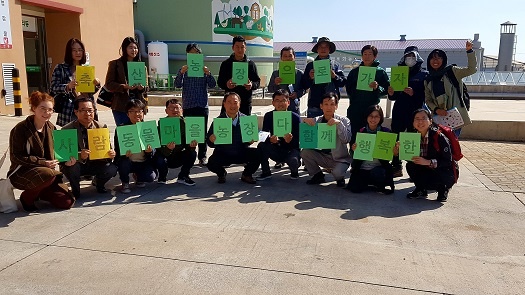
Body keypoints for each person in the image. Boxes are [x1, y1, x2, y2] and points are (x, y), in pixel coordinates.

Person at [8, 91, 75, 211]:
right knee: (47, 174)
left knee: (66, 202)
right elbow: (15, 156)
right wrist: (42, 163)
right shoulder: (20, 129)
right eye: (42, 108)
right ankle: (27, 198)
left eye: (50, 109)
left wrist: (66, 161)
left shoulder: (51, 127)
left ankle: (40, 192)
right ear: (34, 108)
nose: (47, 112)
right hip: (23, 172)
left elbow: (58, 153)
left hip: (48, 175)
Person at [60, 97, 118, 198]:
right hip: (77, 165)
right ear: (76, 112)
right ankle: (75, 190)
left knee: (112, 168)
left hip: (96, 163)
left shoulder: (101, 127)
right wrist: (79, 155)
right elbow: (62, 156)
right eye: (83, 110)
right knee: (72, 167)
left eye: (90, 110)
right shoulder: (66, 130)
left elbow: (107, 148)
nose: (87, 114)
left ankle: (99, 184)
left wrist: (111, 154)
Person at [387, 46, 429, 177]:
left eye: (412, 56)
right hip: (399, 110)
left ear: (417, 58)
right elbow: (393, 97)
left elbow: (426, 96)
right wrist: (391, 93)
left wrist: (414, 93)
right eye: (407, 56)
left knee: (414, 140)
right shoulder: (398, 73)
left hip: (415, 112)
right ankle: (396, 166)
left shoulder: (424, 74)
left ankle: (414, 168)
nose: (410, 59)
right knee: (396, 137)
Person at [174, 43, 216, 166]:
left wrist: (208, 73)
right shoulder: (184, 70)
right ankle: (189, 155)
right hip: (188, 105)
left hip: (202, 105)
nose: (194, 55)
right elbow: (177, 85)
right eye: (191, 53)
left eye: (196, 53)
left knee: (202, 133)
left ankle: (202, 156)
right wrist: (181, 73)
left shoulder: (204, 69)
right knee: (190, 133)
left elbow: (213, 84)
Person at [425, 40, 477, 138]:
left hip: (454, 116)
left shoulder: (452, 71)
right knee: (439, 143)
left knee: (451, 143)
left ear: (443, 59)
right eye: (432, 58)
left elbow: (472, 69)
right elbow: (428, 99)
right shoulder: (428, 79)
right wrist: (436, 110)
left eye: (438, 58)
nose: (435, 61)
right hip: (439, 117)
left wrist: (469, 51)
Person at [206, 92, 260, 184]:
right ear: (224, 104)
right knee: (211, 163)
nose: (232, 105)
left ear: (239, 103)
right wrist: (211, 139)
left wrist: (250, 141)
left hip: (241, 152)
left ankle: (247, 174)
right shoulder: (218, 121)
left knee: (258, 153)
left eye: (235, 102)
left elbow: (248, 141)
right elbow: (209, 143)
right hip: (224, 153)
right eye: (229, 102)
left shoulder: (246, 120)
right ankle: (222, 173)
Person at [301, 92, 352, 187]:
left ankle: (340, 178)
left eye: (332, 104)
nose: (329, 107)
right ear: (321, 106)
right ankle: (317, 175)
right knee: (305, 152)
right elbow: (304, 130)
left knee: (337, 173)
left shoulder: (344, 121)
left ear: (336, 106)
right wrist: (305, 121)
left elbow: (346, 140)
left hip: (340, 159)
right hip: (323, 156)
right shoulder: (317, 120)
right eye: (326, 104)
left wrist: (339, 124)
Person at [406, 109, 456, 202]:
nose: (420, 122)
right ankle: (421, 189)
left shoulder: (439, 137)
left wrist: (428, 162)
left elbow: (448, 161)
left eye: (424, 118)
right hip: (427, 168)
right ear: (413, 122)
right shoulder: (412, 137)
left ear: (430, 121)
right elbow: (410, 158)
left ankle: (443, 189)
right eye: (417, 119)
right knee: (410, 165)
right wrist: (399, 151)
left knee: (440, 178)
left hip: (443, 171)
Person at [50, 38, 101, 126]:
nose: (78, 53)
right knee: (71, 136)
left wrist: (97, 84)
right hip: (69, 109)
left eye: (80, 50)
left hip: (86, 107)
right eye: (74, 50)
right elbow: (53, 87)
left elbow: (90, 92)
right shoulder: (60, 68)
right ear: (69, 52)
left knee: (88, 134)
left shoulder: (86, 69)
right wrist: (67, 86)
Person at [347, 105, 396, 194]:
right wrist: (353, 149)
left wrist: (394, 151)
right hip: (363, 167)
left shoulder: (386, 132)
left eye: (376, 116)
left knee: (378, 174)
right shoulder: (361, 131)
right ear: (366, 117)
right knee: (355, 189)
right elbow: (353, 154)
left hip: (378, 167)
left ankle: (375, 183)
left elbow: (391, 156)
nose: (373, 119)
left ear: (380, 118)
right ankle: (368, 183)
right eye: (371, 116)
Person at [256, 89, 301, 180]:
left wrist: (290, 140)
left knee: (294, 161)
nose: (280, 104)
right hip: (275, 148)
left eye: (283, 101)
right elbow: (263, 135)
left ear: (288, 102)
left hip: (290, 150)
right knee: (261, 146)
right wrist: (270, 140)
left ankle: (294, 172)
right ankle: (266, 172)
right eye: (277, 101)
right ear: (273, 103)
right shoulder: (268, 116)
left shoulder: (295, 117)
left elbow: (299, 140)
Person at [345, 45, 390, 135]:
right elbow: (348, 89)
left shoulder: (380, 72)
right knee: (354, 135)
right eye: (365, 54)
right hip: (355, 109)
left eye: (370, 54)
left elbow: (386, 89)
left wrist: (377, 88)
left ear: (375, 56)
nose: (367, 56)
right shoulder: (354, 72)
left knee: (370, 135)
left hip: (371, 110)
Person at [114, 99, 156, 193]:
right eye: (132, 111)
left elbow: (155, 149)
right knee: (124, 162)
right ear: (127, 114)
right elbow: (117, 150)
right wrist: (124, 154)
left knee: (150, 178)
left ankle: (139, 177)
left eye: (139, 111)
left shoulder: (148, 128)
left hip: (143, 161)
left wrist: (150, 152)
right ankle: (125, 182)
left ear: (143, 113)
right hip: (129, 161)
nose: (137, 114)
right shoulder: (121, 129)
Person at [105, 36, 148, 126]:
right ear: (125, 49)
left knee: (138, 131)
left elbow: (146, 87)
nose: (134, 50)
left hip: (138, 105)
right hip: (121, 105)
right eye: (130, 47)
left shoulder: (142, 67)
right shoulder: (115, 64)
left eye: (135, 48)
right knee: (124, 132)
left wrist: (142, 88)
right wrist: (125, 86)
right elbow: (109, 84)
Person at [153, 99, 197, 186]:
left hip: (178, 156)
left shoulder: (187, 125)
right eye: (171, 108)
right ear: (166, 111)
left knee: (192, 153)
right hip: (164, 156)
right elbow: (157, 147)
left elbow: (188, 147)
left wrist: (192, 146)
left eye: (177, 108)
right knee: (158, 157)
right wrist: (168, 149)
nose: (175, 110)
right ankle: (162, 176)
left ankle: (183, 176)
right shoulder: (161, 125)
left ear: (182, 110)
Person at [302, 37, 346, 118]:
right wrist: (310, 78)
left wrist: (334, 76)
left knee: (329, 130)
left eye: (326, 47)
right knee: (313, 129)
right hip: (314, 104)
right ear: (317, 49)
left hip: (330, 105)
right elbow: (304, 85)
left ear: (329, 49)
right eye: (321, 47)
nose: (323, 49)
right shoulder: (311, 65)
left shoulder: (335, 65)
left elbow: (343, 83)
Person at [217, 35, 261, 115]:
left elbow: (257, 82)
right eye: (237, 47)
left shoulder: (250, 64)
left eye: (242, 47)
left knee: (244, 126)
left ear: (245, 48)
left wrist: (251, 85)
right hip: (229, 103)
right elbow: (220, 82)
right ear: (233, 48)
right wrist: (226, 84)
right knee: (227, 125)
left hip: (245, 103)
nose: (240, 50)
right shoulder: (226, 64)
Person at [267, 46, 305, 114]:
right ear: (281, 58)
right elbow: (270, 89)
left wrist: (297, 94)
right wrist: (275, 83)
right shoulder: (276, 73)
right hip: (279, 108)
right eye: (285, 56)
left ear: (294, 57)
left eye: (290, 56)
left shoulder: (300, 73)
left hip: (294, 107)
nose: (288, 58)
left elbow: (304, 89)